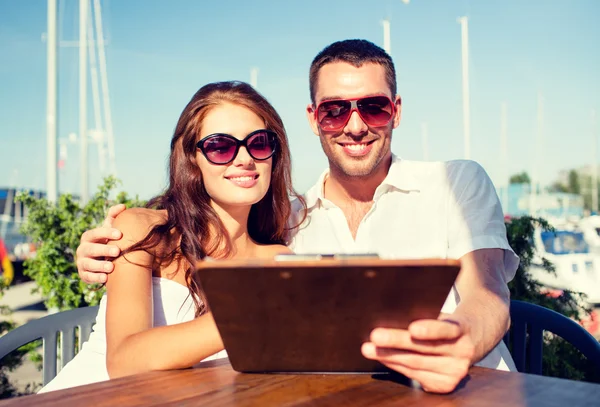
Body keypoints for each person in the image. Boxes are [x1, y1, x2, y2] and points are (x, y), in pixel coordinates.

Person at [75, 39, 519, 394]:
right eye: (334, 110)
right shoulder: (294, 223)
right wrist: (101, 251)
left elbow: (487, 295)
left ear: (396, 111)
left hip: (472, 390)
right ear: (313, 118)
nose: (355, 124)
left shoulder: (454, 183)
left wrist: (458, 342)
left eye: (374, 106)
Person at [39, 80, 303, 392]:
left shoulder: (278, 258)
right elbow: (124, 363)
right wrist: (247, 315)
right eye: (221, 146)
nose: (245, 158)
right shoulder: (143, 229)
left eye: (259, 143)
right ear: (192, 159)